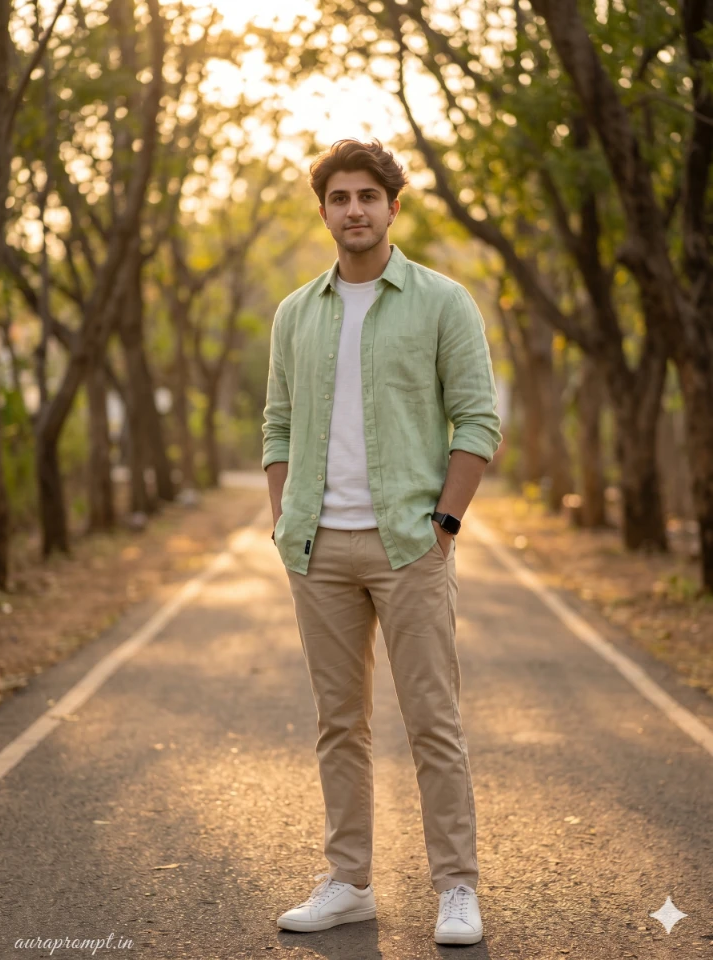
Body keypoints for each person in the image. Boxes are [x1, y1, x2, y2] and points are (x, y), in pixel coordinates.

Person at [261, 138, 502, 945]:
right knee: (340, 723)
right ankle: (348, 880)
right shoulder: (296, 311)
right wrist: (284, 516)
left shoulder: (442, 301)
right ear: (323, 209)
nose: (354, 209)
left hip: (409, 547)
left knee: (433, 719)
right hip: (318, 551)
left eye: (369, 195)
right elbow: (278, 424)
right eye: (340, 197)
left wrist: (444, 527)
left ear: (393, 207)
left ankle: (456, 887)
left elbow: (478, 419)